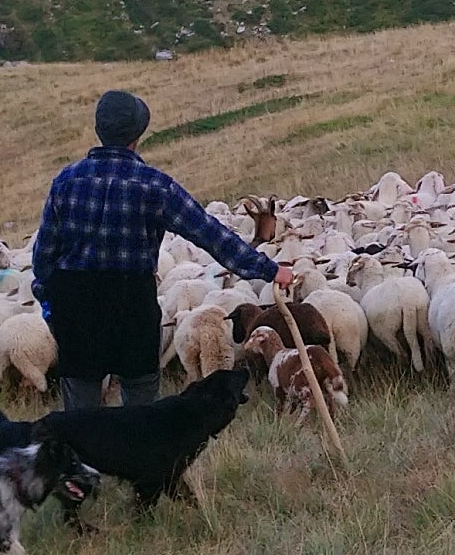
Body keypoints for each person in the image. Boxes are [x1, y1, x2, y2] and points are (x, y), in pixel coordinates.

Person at [32, 89, 280, 412]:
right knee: (141, 416)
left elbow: (43, 258)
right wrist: (269, 269)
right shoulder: (154, 185)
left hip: (79, 314)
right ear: (137, 135)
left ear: (99, 131)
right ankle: (133, 459)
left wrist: (52, 307)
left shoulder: (65, 182)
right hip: (132, 309)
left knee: (81, 422)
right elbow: (211, 234)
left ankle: (85, 461)